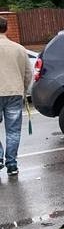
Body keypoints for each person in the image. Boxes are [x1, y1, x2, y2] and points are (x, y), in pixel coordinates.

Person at [0, 16, 32, 178]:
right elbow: (28, 73)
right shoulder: (19, 48)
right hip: (14, 93)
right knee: (13, 131)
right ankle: (12, 165)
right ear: (7, 28)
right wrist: (23, 89)